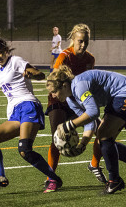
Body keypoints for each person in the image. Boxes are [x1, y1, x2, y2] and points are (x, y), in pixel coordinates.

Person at [0, 37, 62, 193]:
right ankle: (0, 176)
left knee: (24, 149)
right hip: (15, 113)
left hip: (28, 106)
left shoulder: (16, 61)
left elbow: (39, 74)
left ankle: (53, 179)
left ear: (5, 51)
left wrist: (34, 75)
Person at [46, 65, 126, 194]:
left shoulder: (79, 85)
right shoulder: (70, 99)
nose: (53, 95)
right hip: (118, 96)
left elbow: (93, 112)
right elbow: (89, 120)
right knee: (104, 138)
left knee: (104, 135)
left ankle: (114, 181)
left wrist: (69, 125)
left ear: (64, 86)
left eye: (54, 91)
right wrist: (82, 144)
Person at [45, 24, 107, 188]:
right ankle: (51, 178)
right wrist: (57, 91)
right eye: (80, 41)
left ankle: (94, 165)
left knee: (103, 130)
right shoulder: (64, 56)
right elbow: (54, 79)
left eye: (86, 42)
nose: (83, 45)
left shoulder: (90, 59)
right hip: (59, 101)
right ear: (73, 39)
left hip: (78, 101)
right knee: (57, 137)